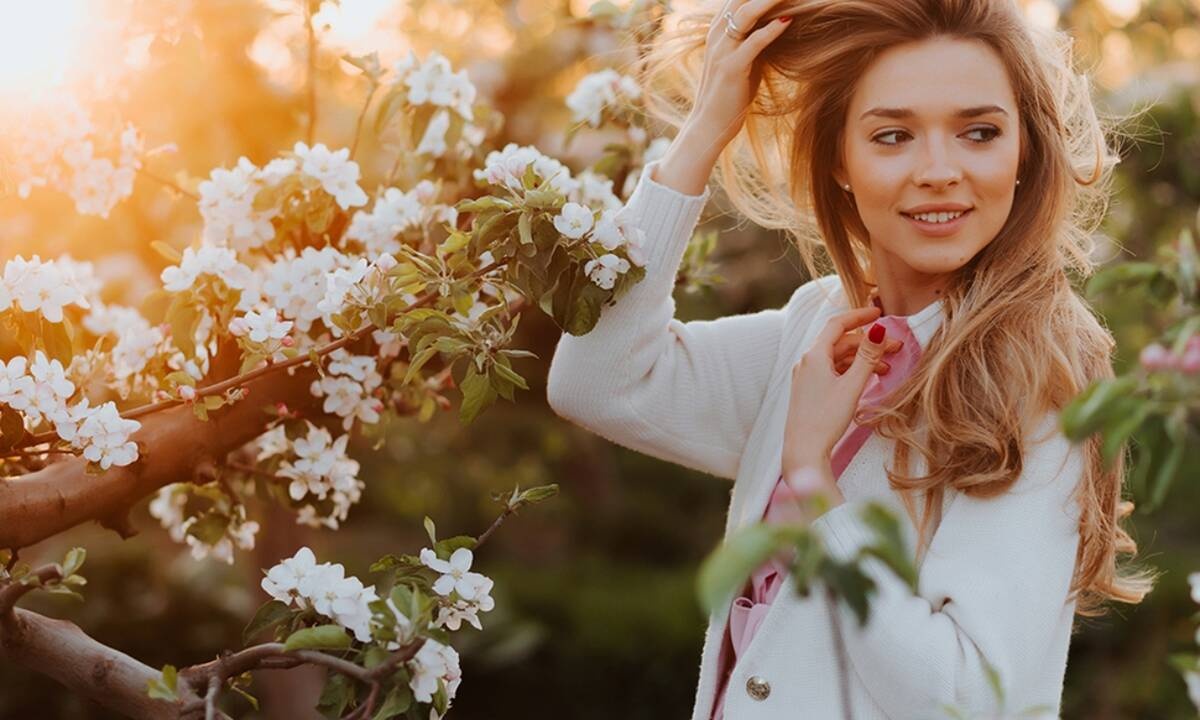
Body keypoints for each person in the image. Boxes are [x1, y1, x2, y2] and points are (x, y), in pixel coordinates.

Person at [545, 0, 1157, 718]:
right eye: (893, 135)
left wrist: (813, 482)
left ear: (1024, 150)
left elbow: (970, 700)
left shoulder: (1043, 382)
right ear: (839, 160)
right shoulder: (819, 329)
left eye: (979, 132)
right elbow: (598, 382)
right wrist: (703, 132)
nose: (938, 171)